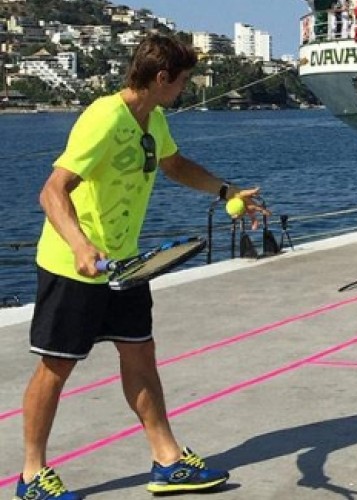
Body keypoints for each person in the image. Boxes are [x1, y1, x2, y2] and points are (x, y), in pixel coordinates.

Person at [15, 34, 265, 500]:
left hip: (126, 267)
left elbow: (174, 165)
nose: (187, 88)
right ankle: (32, 475)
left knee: (140, 356)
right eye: (184, 80)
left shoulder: (154, 118)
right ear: (161, 78)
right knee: (56, 368)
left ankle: (167, 460)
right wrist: (80, 245)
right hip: (75, 267)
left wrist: (226, 192)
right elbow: (52, 191)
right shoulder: (104, 117)